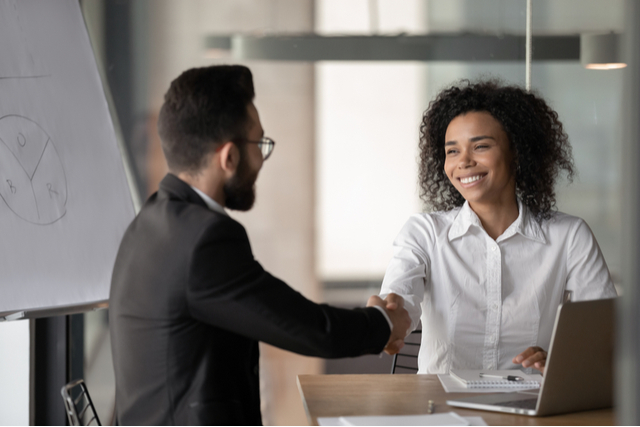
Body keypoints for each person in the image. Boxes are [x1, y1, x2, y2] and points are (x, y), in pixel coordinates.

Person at [109, 65, 410, 425]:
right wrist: (383, 324)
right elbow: (308, 327)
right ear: (229, 157)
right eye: (259, 145)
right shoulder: (204, 239)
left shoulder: (149, 222)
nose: (261, 160)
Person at [380, 79, 617, 375]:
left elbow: (604, 334)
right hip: (443, 412)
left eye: (480, 146)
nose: (463, 162)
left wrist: (561, 359)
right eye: (452, 151)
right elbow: (401, 303)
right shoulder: (424, 233)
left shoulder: (569, 236)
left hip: (530, 413)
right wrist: (388, 322)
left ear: (517, 151)